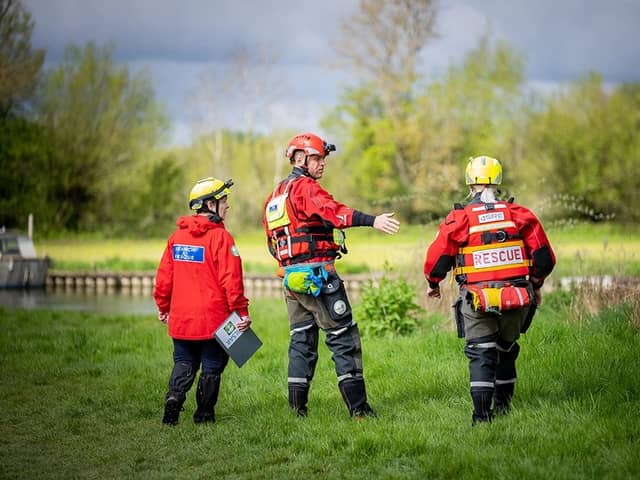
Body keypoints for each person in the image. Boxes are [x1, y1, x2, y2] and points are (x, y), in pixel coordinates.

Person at [262, 132, 400, 419]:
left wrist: (291, 265)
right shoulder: (305, 188)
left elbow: (272, 243)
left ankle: (297, 411)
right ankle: (360, 411)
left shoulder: (275, 196)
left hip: (291, 280)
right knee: (343, 337)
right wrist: (373, 220)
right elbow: (333, 213)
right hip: (318, 276)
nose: (322, 163)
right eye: (317, 158)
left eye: (323, 158)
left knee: (301, 341)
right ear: (300, 159)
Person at [424, 155, 556, 425]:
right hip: (518, 296)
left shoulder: (459, 218)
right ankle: (505, 408)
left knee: (481, 352)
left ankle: (482, 418)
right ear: (498, 180)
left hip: (477, 298)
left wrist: (433, 284)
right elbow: (544, 259)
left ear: (469, 182)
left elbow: (437, 259)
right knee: (506, 349)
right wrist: (536, 284)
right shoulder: (520, 215)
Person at [154, 177, 251, 426]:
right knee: (212, 366)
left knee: (184, 361)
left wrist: (163, 307)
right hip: (213, 320)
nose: (227, 206)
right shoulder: (221, 238)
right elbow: (232, 281)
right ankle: (204, 416)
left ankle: (174, 398)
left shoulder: (176, 238)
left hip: (182, 319)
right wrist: (241, 312)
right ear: (210, 204)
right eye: (224, 200)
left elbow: (164, 279)